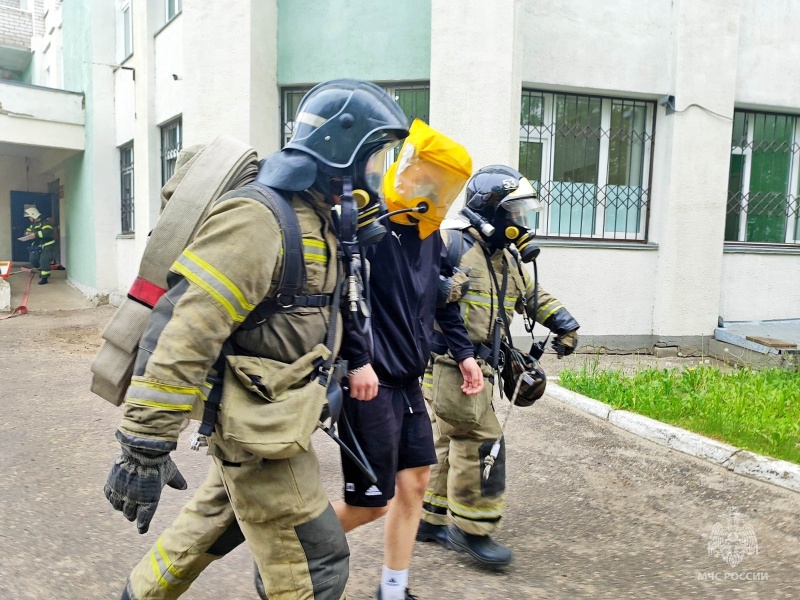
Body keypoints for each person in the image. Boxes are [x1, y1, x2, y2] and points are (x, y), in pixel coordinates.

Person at [103, 79, 410, 600]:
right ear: (341, 148)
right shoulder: (261, 218)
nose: (380, 171)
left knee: (208, 530)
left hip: (278, 419)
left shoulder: (320, 222)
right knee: (316, 563)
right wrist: (145, 444)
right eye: (375, 156)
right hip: (256, 428)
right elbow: (189, 332)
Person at [333, 119, 485, 600]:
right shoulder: (366, 227)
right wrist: (357, 361)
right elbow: (345, 298)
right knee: (370, 503)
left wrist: (463, 354)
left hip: (408, 381)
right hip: (370, 382)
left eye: (446, 184)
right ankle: (289, 553)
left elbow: (444, 299)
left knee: (416, 482)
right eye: (431, 176)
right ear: (410, 170)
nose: (437, 190)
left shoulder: (430, 236)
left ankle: (392, 591)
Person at [416, 164, 580, 567]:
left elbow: (531, 295)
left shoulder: (505, 258)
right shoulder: (451, 244)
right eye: (516, 212)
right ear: (492, 211)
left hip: (478, 368)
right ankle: (474, 531)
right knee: (480, 439)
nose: (523, 221)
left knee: (448, 441)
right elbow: (419, 291)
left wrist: (563, 322)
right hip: (449, 364)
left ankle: (430, 519)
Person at [24, 206, 56, 285]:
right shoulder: (33, 225)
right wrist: (27, 234)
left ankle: (44, 277)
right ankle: (41, 269)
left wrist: (35, 234)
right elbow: (27, 231)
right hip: (37, 245)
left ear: (33, 215)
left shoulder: (45, 222)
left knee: (44, 260)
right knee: (33, 260)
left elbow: (47, 233)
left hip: (47, 244)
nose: (29, 219)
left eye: (30, 217)